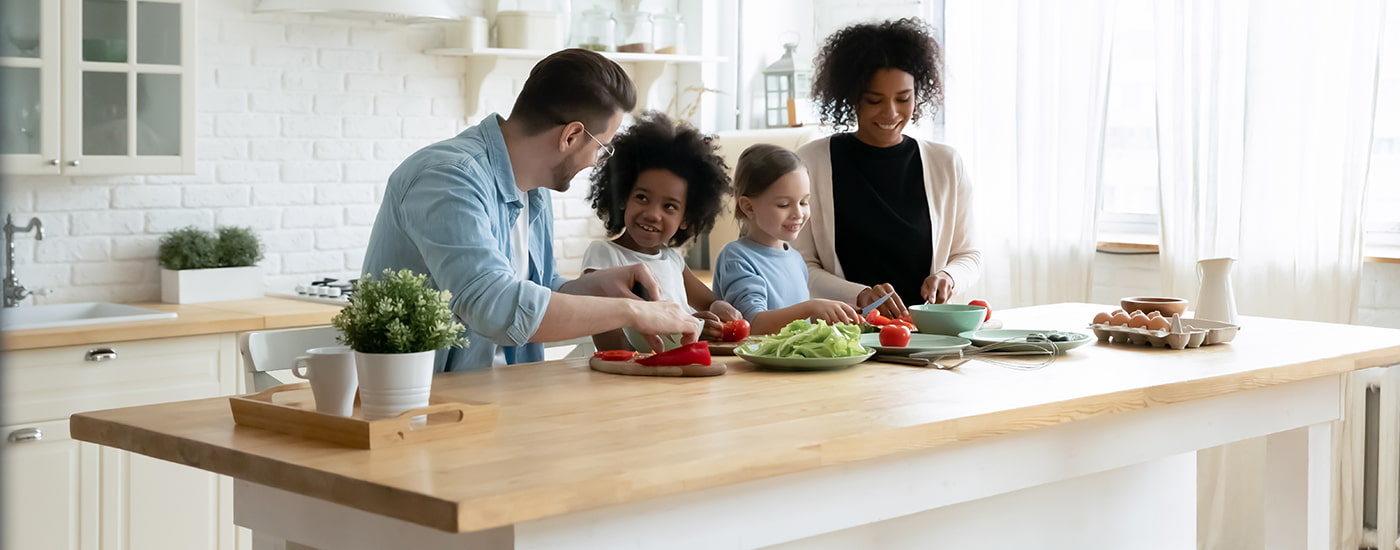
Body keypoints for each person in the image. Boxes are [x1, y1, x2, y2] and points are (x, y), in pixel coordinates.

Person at [361, 49, 698, 372]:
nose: (596, 160)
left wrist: (600, 286)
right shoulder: (447, 177)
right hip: (427, 404)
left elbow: (536, 288)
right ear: (571, 136)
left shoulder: (533, 189)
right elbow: (494, 306)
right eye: (601, 148)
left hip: (510, 390)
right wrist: (629, 312)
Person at [793, 18, 981, 320]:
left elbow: (968, 255)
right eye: (874, 100)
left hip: (923, 331)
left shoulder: (946, 164)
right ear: (852, 97)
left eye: (903, 99)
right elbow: (798, 265)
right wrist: (860, 294)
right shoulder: (810, 162)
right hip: (844, 332)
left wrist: (949, 276)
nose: (891, 113)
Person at [581, 112, 741, 350]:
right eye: (642, 197)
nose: (653, 213)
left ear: (686, 218)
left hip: (680, 369)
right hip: (634, 377)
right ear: (623, 196)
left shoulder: (673, 260)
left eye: (669, 206)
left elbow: (709, 303)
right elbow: (610, 343)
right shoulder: (604, 255)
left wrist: (718, 310)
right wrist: (692, 328)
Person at [712, 144, 861, 334]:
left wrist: (831, 315)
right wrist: (811, 307)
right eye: (784, 205)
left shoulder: (796, 259)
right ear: (748, 207)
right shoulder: (736, 258)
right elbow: (753, 325)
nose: (798, 213)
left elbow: (796, 323)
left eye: (804, 202)